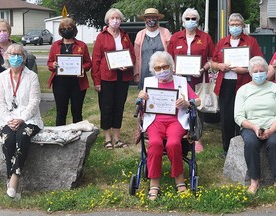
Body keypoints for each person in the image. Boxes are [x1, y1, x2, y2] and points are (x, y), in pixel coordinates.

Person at [137, 51, 200, 200]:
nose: (162, 70)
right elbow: (140, 104)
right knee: (155, 143)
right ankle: (154, 184)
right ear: (153, 70)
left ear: (171, 67)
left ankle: (179, 180)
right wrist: (141, 98)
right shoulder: (149, 83)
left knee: (173, 143)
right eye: (157, 68)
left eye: (164, 66)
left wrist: (187, 103)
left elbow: (198, 101)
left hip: (176, 120)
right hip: (155, 120)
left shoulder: (182, 82)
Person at [210, 13, 263, 156]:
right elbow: (212, 63)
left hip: (245, 83)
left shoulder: (251, 41)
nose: (235, 27)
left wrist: (246, 70)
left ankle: (244, 147)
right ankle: (227, 148)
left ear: (242, 25)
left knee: (243, 116)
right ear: (228, 26)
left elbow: (259, 61)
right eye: (232, 24)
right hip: (225, 84)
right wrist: (220, 65)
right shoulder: (222, 42)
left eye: (237, 24)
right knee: (226, 117)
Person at [234, 56, 276, 194]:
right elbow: (238, 116)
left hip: (273, 126)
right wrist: (254, 127)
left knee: (275, 143)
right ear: (250, 73)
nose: (259, 74)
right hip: (250, 126)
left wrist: (271, 130)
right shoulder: (243, 90)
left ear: (267, 71)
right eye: (255, 71)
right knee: (251, 143)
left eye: (261, 70)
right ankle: (254, 180)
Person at [0, 43, 43, 199]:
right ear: (7, 57)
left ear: (24, 58)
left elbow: (35, 101)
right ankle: (13, 183)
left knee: (23, 136)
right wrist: (10, 119)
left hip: (29, 118)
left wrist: (21, 119)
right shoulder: (1, 77)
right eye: (12, 54)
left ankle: (14, 178)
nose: (15, 57)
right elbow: (0, 103)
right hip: (7, 119)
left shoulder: (32, 76)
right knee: (8, 139)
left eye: (19, 54)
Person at [167, 8, 215, 153]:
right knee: (179, 105)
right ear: (183, 21)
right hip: (179, 79)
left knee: (197, 107)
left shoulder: (205, 38)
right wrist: (174, 69)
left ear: (198, 21)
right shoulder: (175, 38)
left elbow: (212, 59)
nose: (190, 21)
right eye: (187, 18)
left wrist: (203, 68)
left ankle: (197, 138)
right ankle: (180, 133)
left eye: (193, 18)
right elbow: (169, 58)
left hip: (198, 79)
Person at [91, 8, 136, 149]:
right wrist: (96, 81)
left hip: (122, 78)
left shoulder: (124, 35)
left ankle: (117, 137)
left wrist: (127, 65)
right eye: (113, 18)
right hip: (106, 78)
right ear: (107, 20)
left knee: (119, 106)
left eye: (118, 18)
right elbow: (96, 61)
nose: (115, 20)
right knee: (106, 107)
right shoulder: (101, 37)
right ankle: (107, 138)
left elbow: (132, 55)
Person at [47, 18, 92, 126]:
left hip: (77, 83)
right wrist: (53, 65)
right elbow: (49, 62)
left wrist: (83, 68)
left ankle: (79, 136)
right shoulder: (55, 45)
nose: (66, 30)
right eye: (63, 29)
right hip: (60, 83)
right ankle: (60, 135)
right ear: (60, 30)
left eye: (69, 28)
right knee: (61, 111)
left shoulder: (82, 45)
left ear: (74, 29)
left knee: (77, 111)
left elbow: (88, 63)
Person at [134, 8, 171, 90]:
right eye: (148, 17)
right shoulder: (140, 34)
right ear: (145, 19)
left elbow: (170, 54)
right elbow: (136, 56)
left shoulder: (165, 32)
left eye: (153, 17)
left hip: (162, 72)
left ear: (157, 19)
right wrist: (136, 73)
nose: (151, 19)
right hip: (144, 72)